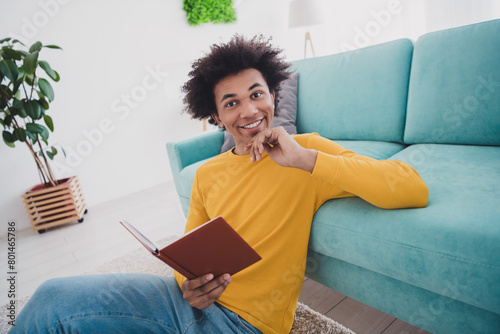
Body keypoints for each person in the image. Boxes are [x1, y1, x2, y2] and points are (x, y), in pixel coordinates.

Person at [10, 35, 428, 334]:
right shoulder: (208, 175)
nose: (249, 110)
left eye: (256, 94)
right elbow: (188, 259)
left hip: (243, 324)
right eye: (231, 103)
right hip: (182, 307)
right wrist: (189, 286)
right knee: (50, 298)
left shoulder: (308, 154)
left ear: (273, 96)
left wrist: (306, 160)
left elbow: (410, 187)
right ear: (216, 118)